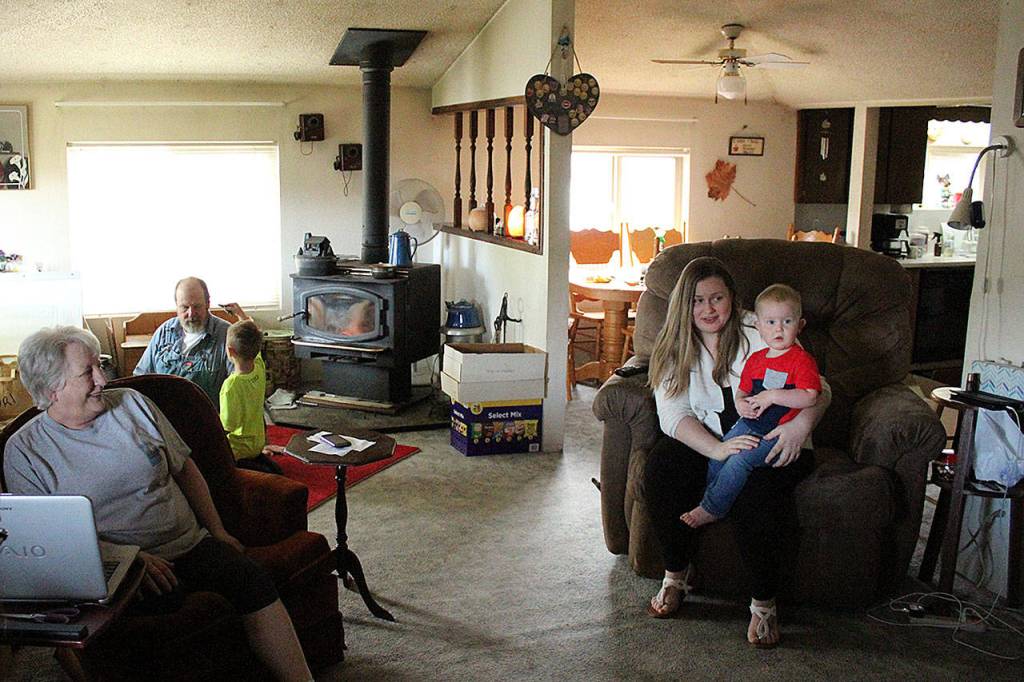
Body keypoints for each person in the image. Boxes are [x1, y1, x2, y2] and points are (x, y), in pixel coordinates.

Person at [4, 326, 312, 681]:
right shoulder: (26, 451)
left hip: (188, 543)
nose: (103, 379)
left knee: (250, 578)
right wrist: (128, 560)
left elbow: (186, 469)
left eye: (98, 366)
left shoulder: (134, 405)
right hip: (115, 570)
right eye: (87, 372)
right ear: (51, 388)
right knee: (141, 621)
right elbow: (47, 541)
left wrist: (217, 531)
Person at [643, 257, 830, 649]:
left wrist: (799, 426)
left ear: (732, 298)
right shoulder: (674, 344)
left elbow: (817, 387)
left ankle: (764, 603)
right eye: (697, 300)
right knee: (662, 466)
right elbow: (673, 414)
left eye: (717, 298)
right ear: (683, 304)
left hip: (777, 437)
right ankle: (676, 575)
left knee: (758, 492)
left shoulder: (760, 327)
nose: (708, 309)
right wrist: (719, 448)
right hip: (712, 440)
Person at [681, 283, 820, 529]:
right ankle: (711, 497)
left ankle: (713, 508)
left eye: (787, 322)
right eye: (771, 323)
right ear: (758, 326)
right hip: (750, 422)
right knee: (722, 452)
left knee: (740, 460)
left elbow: (810, 396)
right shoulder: (756, 359)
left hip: (778, 432)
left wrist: (773, 396)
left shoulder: (801, 359)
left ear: (799, 326)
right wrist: (740, 403)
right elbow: (743, 390)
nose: (779, 329)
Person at [134, 276, 250, 404]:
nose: (191, 313)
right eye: (184, 307)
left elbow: (239, 388)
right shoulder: (164, 332)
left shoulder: (226, 335)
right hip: (163, 418)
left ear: (208, 304)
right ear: (176, 306)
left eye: (197, 306)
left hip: (206, 420)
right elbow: (140, 377)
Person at [221, 320, 283, 475]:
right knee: (276, 472)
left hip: (238, 452)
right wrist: (239, 313)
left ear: (230, 351)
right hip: (257, 444)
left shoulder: (231, 385)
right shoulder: (259, 367)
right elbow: (255, 332)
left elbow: (229, 425)